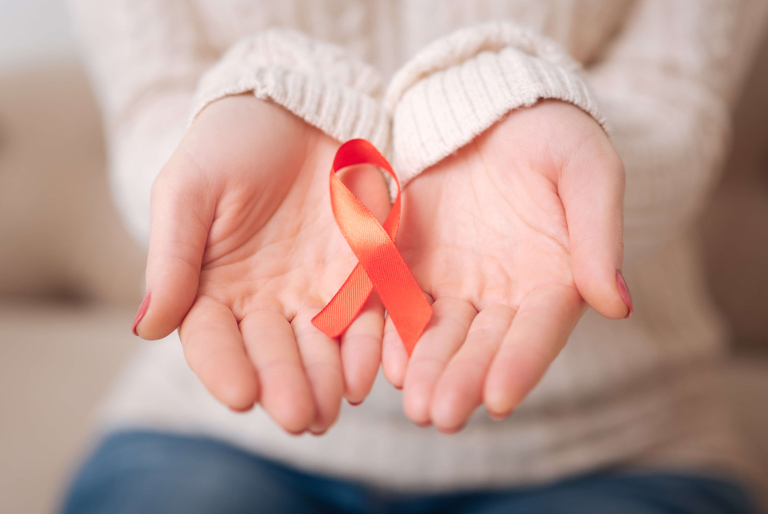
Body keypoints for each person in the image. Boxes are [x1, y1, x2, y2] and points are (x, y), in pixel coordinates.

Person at [63, 1, 767, 512]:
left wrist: (518, 105)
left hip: (619, 443)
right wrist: (257, 96)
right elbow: (151, 107)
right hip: (211, 431)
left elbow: (678, 99)